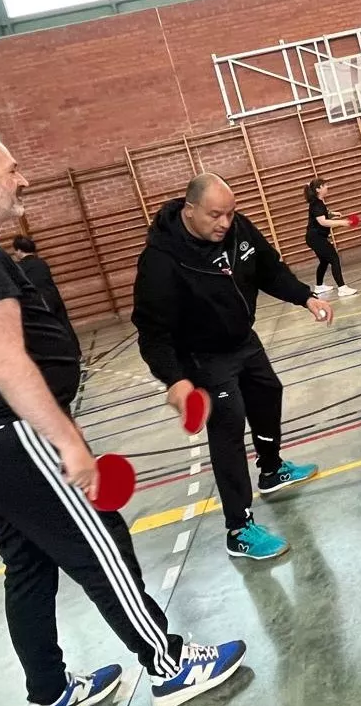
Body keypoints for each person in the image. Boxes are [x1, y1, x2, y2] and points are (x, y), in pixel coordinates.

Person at [0, 129, 245, 706]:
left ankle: (49, 690)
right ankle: (170, 666)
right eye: (11, 169)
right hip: (12, 430)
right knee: (101, 544)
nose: (22, 179)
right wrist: (67, 440)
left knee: (27, 562)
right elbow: (5, 362)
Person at [132, 173, 332, 562]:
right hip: (202, 356)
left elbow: (269, 269)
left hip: (242, 340)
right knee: (228, 428)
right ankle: (239, 529)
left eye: (230, 213)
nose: (225, 223)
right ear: (189, 211)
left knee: (268, 393)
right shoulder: (160, 260)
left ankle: (272, 469)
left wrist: (305, 297)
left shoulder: (238, 228)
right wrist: (174, 379)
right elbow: (152, 333)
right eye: (215, 215)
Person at [12, 235, 79, 356]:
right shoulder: (42, 263)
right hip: (54, 297)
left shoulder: (20, 268)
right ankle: (76, 353)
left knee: (48, 330)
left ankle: (59, 355)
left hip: (40, 301)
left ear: (19, 250)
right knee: (64, 325)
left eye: (15, 251)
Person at [304, 178, 357, 297]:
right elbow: (323, 222)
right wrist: (342, 222)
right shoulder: (316, 204)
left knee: (324, 261)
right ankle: (342, 288)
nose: (327, 187)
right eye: (324, 185)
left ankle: (319, 286)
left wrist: (333, 214)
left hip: (315, 237)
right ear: (318, 189)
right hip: (316, 238)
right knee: (334, 259)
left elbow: (324, 213)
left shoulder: (319, 202)